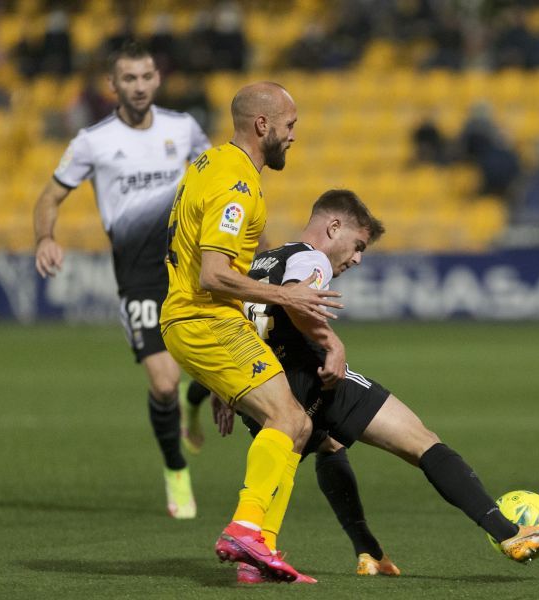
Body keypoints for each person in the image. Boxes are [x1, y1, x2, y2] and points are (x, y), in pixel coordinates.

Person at [219, 189, 539, 584]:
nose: (357, 258)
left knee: (325, 447)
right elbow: (300, 300)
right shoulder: (310, 257)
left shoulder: (261, 262)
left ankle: (336, 552)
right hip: (311, 376)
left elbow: (231, 320)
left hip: (263, 386)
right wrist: (330, 342)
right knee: (422, 441)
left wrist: (223, 387)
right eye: (358, 245)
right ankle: (510, 533)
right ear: (333, 227)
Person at [159, 81, 343, 584]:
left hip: (210, 321)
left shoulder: (211, 163)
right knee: (286, 416)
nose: (293, 136)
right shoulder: (236, 185)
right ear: (262, 125)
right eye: (289, 126)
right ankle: (244, 530)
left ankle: (257, 554)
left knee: (298, 427)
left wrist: (229, 380)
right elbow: (213, 274)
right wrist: (289, 296)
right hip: (202, 317)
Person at [33, 41, 213, 520]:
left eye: (146, 76)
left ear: (158, 79)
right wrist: (45, 238)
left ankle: (195, 403)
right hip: (138, 273)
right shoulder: (93, 141)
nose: (138, 86)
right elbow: (49, 197)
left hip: (193, 264)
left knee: (223, 368)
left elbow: (218, 179)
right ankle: (176, 470)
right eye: (128, 79)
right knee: (161, 382)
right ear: (112, 85)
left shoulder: (184, 129)